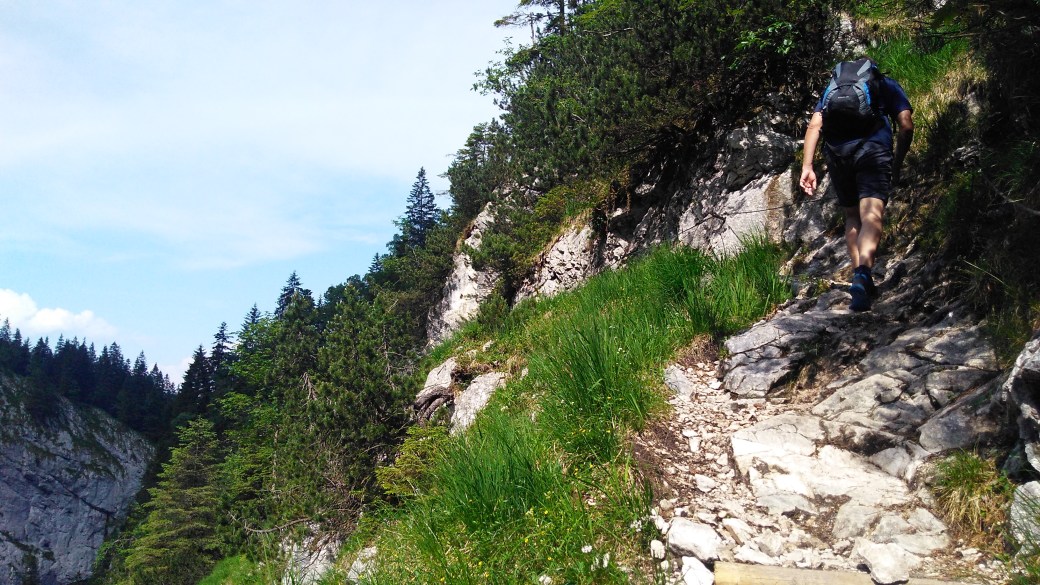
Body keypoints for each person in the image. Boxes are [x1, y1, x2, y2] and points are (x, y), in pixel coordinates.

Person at [799, 57, 914, 312]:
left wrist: (807, 167)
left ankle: (859, 278)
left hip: (838, 153)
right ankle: (863, 274)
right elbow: (905, 125)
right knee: (871, 213)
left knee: (852, 216)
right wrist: (897, 162)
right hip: (874, 150)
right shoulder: (886, 84)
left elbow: (815, 125)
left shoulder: (832, 89)